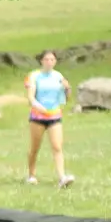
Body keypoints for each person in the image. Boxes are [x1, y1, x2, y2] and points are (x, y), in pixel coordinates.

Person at [25, 50, 75, 187]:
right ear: (41, 61)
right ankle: (31, 175)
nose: (49, 62)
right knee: (35, 148)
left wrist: (67, 88)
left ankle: (62, 177)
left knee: (57, 146)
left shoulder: (58, 76)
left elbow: (66, 98)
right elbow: (31, 97)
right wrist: (39, 107)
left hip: (54, 115)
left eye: (52, 60)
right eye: (46, 59)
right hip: (38, 116)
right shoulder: (34, 76)